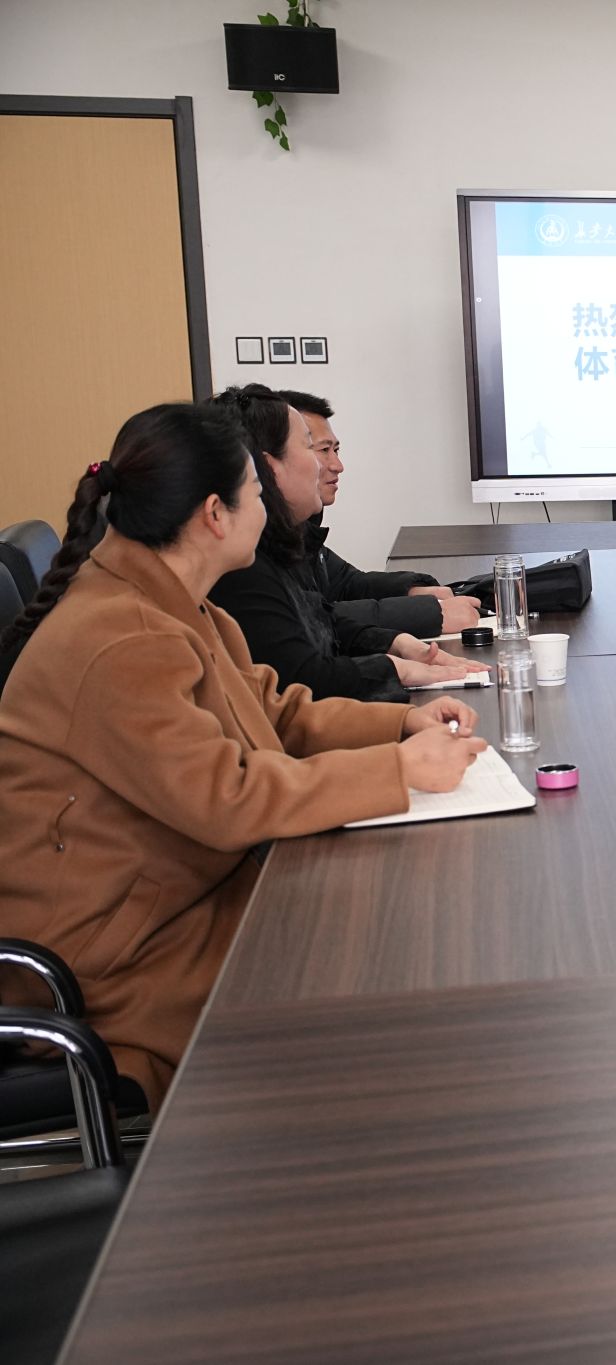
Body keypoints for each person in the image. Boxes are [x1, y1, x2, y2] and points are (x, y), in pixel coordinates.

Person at [0, 403, 487, 1104]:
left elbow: (276, 713)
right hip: (116, 957)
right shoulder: (123, 637)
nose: (270, 510)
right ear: (214, 515)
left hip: (176, 900)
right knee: (362, 975)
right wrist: (396, 772)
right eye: (257, 493)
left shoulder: (177, 603)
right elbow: (226, 797)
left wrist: (400, 728)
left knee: (376, 938)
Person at [206, 385, 483, 701]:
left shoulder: (276, 544)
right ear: (269, 469)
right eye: (312, 448)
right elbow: (303, 680)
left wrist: (395, 642)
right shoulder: (242, 565)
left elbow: (320, 614)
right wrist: (395, 668)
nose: (331, 466)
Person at [273, 389, 482, 638]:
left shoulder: (301, 528)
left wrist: (414, 589)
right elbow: (311, 618)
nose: (338, 466)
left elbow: (347, 584)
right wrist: (430, 613)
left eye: (336, 450)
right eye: (322, 450)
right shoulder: (262, 544)